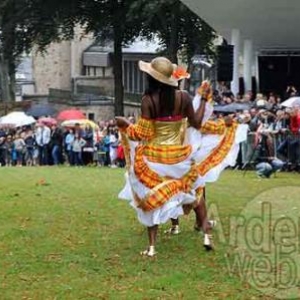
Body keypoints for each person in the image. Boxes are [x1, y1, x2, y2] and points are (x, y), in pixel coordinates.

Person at [116, 57, 247, 257]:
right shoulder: (183, 97)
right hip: (180, 158)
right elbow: (195, 122)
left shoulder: (148, 100)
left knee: (148, 195)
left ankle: (152, 247)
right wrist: (203, 100)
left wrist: (125, 124)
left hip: (155, 159)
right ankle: (206, 235)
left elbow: (141, 133)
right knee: (195, 192)